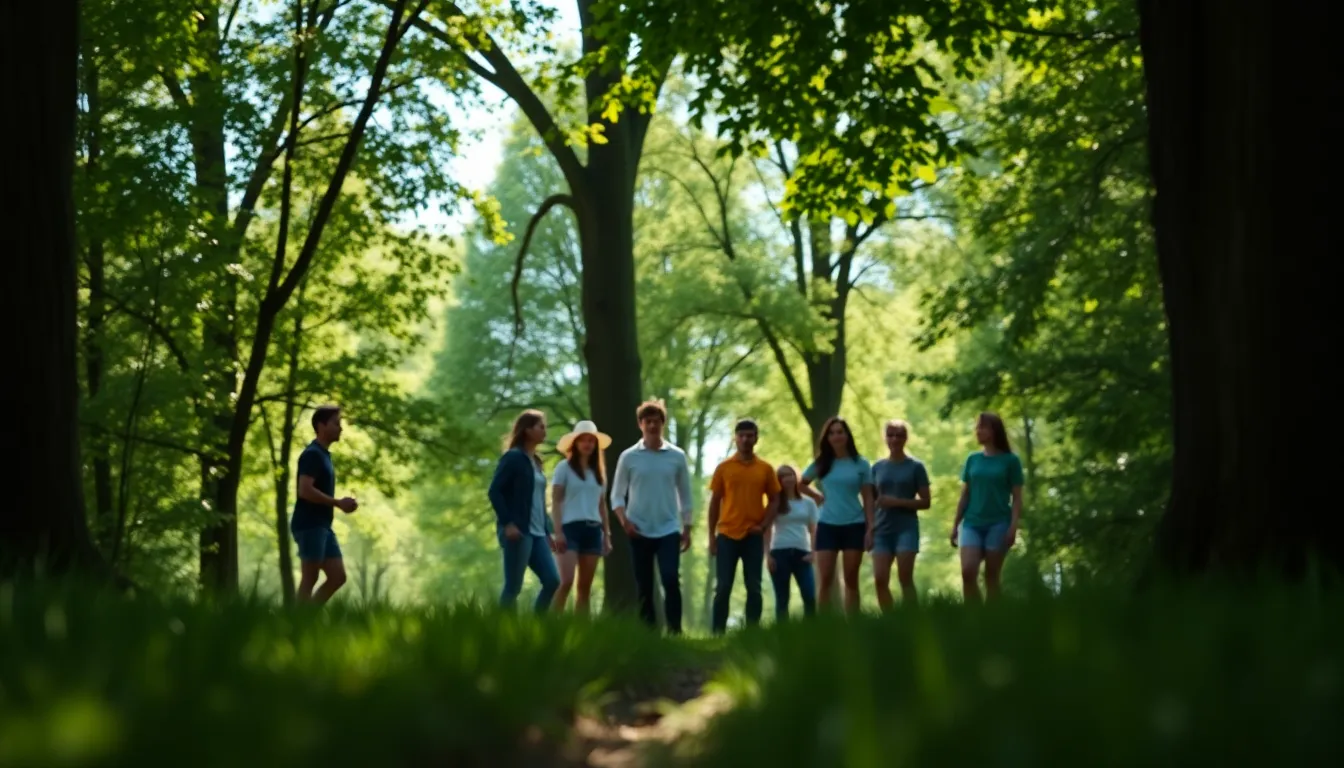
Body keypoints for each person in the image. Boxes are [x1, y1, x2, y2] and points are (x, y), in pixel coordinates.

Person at [610, 399, 693, 634]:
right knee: (644, 585)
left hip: (668, 528)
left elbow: (685, 495)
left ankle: (675, 630)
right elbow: (616, 496)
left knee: (670, 578)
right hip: (638, 528)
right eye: (648, 422)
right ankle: (649, 632)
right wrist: (625, 522)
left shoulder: (676, 456)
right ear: (640, 425)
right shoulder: (629, 457)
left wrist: (687, 527)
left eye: (657, 422)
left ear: (663, 424)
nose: (652, 426)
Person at [707, 419, 782, 635]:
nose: (745, 440)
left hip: (752, 535)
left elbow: (775, 499)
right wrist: (712, 537)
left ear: (756, 438)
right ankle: (717, 633)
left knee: (754, 587)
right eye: (741, 436)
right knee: (722, 588)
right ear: (735, 438)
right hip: (727, 534)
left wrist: (764, 525)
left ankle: (751, 633)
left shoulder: (765, 469)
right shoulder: (724, 468)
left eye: (750, 435)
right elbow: (714, 503)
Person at [487, 409, 560, 613]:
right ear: (527, 430)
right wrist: (508, 523)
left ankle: (538, 626)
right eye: (541, 427)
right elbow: (495, 491)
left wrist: (547, 531)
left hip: (538, 534)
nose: (545, 431)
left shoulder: (536, 462)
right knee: (513, 587)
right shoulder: (513, 458)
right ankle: (502, 630)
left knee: (552, 581)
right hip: (518, 532)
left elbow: (538, 501)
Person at [801, 416, 875, 615]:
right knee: (825, 579)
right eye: (832, 433)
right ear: (827, 438)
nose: (836, 436)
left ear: (847, 435)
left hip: (855, 524)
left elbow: (868, 497)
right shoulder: (822, 463)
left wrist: (870, 528)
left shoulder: (861, 464)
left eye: (840, 432)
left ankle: (853, 625)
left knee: (852, 579)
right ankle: (825, 626)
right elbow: (801, 483)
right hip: (827, 525)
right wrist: (816, 495)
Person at [951, 411, 1025, 602]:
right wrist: (955, 525)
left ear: (993, 431)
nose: (977, 431)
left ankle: (992, 620)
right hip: (972, 523)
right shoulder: (972, 459)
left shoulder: (1010, 461)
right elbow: (965, 494)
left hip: (998, 524)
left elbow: (1017, 498)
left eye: (981, 427)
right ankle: (974, 618)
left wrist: (1013, 527)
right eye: (977, 427)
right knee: (968, 572)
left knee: (991, 577)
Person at [292, 404, 359, 604]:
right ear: (321, 426)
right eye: (336, 423)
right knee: (310, 577)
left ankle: (307, 618)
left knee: (338, 577)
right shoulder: (312, 454)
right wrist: (338, 503)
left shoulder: (324, 455)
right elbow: (304, 490)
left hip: (323, 526)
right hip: (309, 524)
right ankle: (296, 624)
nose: (341, 428)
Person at [551, 420, 613, 615]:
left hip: (593, 530)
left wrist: (607, 535)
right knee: (565, 581)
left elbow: (601, 505)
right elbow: (556, 501)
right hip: (569, 530)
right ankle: (551, 624)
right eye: (583, 440)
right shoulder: (564, 468)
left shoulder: (599, 473)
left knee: (584, 588)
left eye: (591, 441)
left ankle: (581, 632)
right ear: (575, 444)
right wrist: (558, 532)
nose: (587, 444)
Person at [871, 419, 932, 610]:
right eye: (890, 435)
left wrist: (896, 502)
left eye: (899, 435)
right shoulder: (877, 468)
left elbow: (926, 501)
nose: (894, 439)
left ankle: (911, 618)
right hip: (881, 530)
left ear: (905, 439)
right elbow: (871, 501)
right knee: (880, 580)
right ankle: (890, 620)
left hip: (906, 528)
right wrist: (868, 528)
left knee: (905, 577)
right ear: (885, 438)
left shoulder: (915, 467)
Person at [764, 464, 819, 620]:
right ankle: (783, 636)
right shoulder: (774, 503)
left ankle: (812, 631)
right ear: (778, 481)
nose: (788, 479)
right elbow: (766, 530)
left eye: (790, 475)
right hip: (779, 553)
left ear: (796, 477)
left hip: (803, 553)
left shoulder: (808, 503)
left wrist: (813, 553)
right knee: (782, 599)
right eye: (783, 476)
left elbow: (814, 530)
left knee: (809, 596)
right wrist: (768, 556)